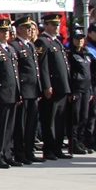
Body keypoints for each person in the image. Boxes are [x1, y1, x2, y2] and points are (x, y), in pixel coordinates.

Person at [36, 13, 71, 160]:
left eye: (58, 24)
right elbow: (43, 66)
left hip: (62, 87)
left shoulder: (56, 42)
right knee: (49, 120)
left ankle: (57, 147)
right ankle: (49, 148)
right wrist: (46, 86)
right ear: (46, 25)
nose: (56, 27)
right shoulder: (43, 42)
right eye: (53, 24)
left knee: (59, 120)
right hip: (52, 87)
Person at [0, 18, 21, 168]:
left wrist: (18, 92)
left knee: (9, 126)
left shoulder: (11, 49)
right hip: (2, 93)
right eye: (2, 31)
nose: (5, 33)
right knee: (0, 126)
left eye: (7, 31)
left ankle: (7, 153)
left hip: (12, 92)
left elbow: (15, 73)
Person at [10, 16, 42, 165]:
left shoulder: (31, 45)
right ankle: (20, 152)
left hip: (33, 90)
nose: (30, 30)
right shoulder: (15, 46)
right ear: (19, 30)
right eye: (27, 28)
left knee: (31, 124)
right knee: (21, 125)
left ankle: (29, 151)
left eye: (31, 28)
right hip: (23, 90)